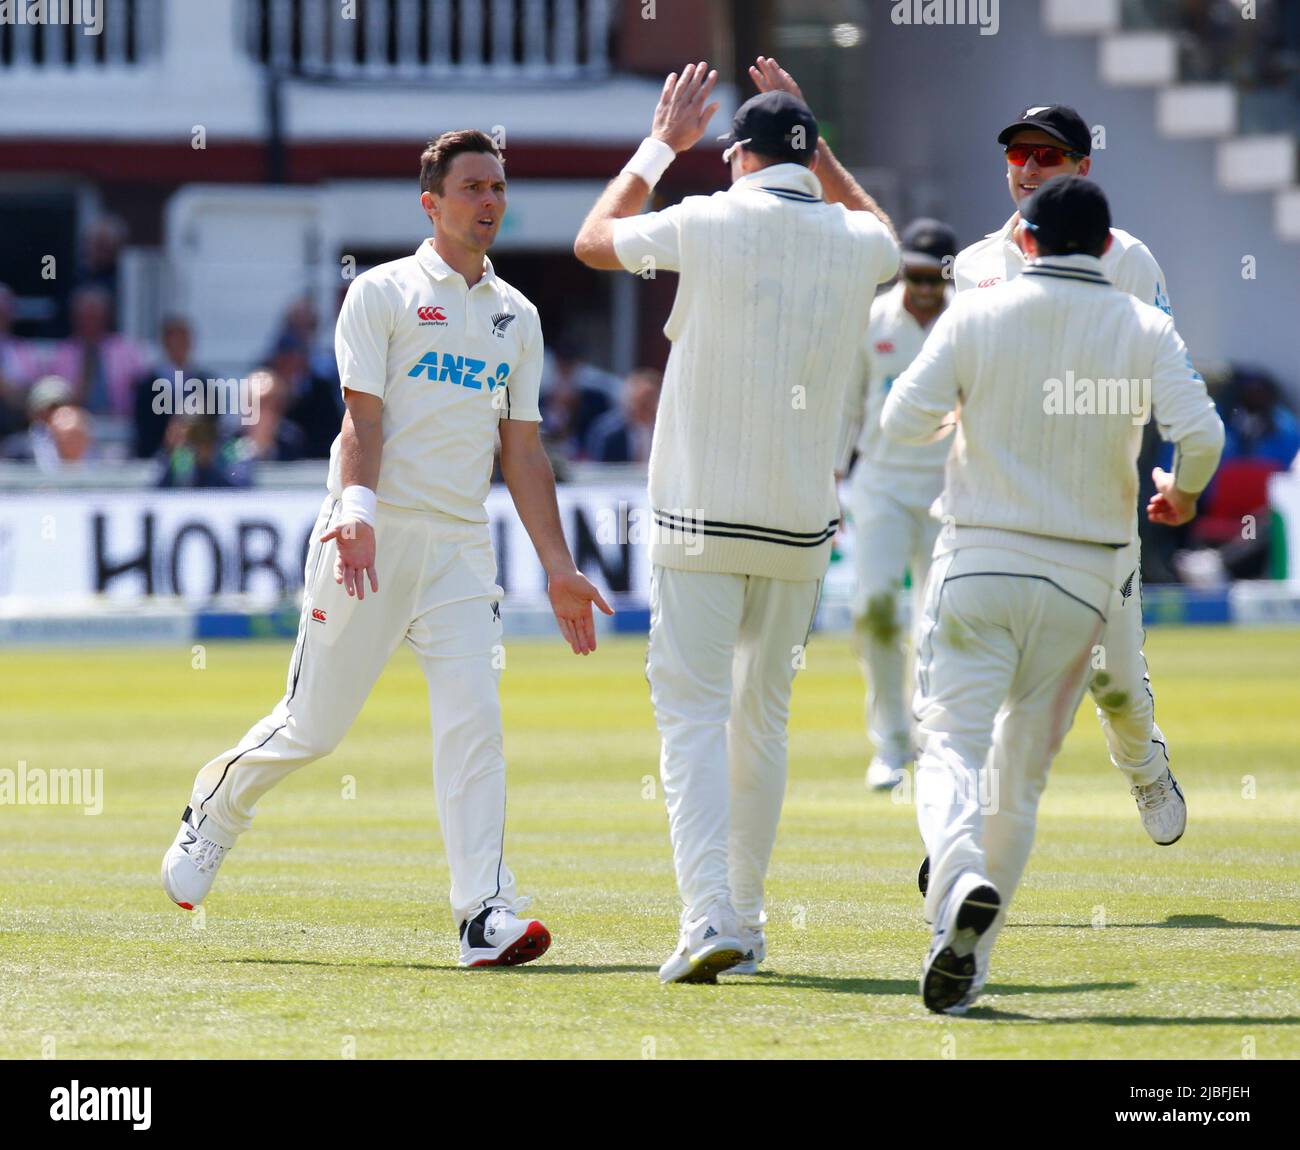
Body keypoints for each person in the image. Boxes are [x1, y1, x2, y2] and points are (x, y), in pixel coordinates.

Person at [161, 129, 614, 968]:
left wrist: (558, 568)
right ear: (431, 203)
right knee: (312, 729)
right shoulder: (382, 293)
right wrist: (358, 510)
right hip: (367, 534)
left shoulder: (518, 316)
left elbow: (521, 450)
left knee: (475, 723)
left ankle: (484, 914)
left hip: (458, 550)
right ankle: (215, 810)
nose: (489, 202)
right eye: (472, 187)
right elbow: (361, 420)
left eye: (498, 188)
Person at [575, 57, 899, 983]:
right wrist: (816, 141)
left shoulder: (710, 214)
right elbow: (880, 228)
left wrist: (658, 145)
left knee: (691, 716)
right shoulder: (853, 237)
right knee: (762, 723)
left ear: (737, 156)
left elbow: (595, 242)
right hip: (801, 523)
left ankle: (710, 915)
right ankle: (746, 921)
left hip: (698, 516)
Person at [883, 176, 1224, 1014]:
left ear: (1025, 242)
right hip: (1082, 582)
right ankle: (964, 957)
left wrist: (958, 417)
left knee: (951, 745)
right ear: (1106, 248)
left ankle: (957, 878)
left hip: (981, 559)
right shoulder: (1142, 325)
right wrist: (1180, 494)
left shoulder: (975, 311)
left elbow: (899, 422)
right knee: (1019, 776)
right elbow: (1203, 434)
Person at [951, 104, 1188, 845]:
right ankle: (964, 843)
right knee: (982, 688)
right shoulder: (977, 264)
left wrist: (1175, 472)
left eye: (1048, 158)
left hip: (1097, 511)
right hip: (1000, 512)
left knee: (1114, 687)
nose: (1028, 167)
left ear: (1083, 169)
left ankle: (1146, 766)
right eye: (1019, 153)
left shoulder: (1129, 259)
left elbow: (1167, 373)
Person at [838, 218, 959, 791]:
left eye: (936, 276)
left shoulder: (970, 319)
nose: (926, 288)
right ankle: (889, 745)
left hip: (950, 487)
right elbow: (846, 405)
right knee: (877, 616)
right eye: (914, 274)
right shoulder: (871, 320)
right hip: (882, 483)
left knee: (941, 622)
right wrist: (830, 478)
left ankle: (936, 740)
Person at [46, 285, 146, 419]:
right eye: (84, 317)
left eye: (94, 316)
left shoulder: (126, 349)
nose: (89, 322)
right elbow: (58, 398)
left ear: (105, 317)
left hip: (120, 422)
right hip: (76, 424)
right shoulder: (63, 353)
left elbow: (142, 387)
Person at [585, 367, 661, 463]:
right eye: (643, 400)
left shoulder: (664, 431)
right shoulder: (608, 434)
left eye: (652, 398)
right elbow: (600, 470)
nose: (648, 404)